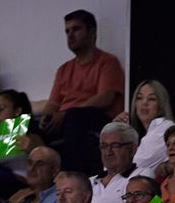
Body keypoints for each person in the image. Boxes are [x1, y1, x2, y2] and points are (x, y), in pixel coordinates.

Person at [36, 9, 125, 176]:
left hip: (97, 120)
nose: (70, 35)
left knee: (74, 117)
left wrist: (66, 113)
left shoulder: (108, 62)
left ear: (92, 32)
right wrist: (46, 117)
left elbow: (106, 97)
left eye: (76, 29)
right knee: (32, 125)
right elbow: (52, 104)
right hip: (68, 119)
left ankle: (72, 175)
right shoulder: (64, 69)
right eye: (67, 31)